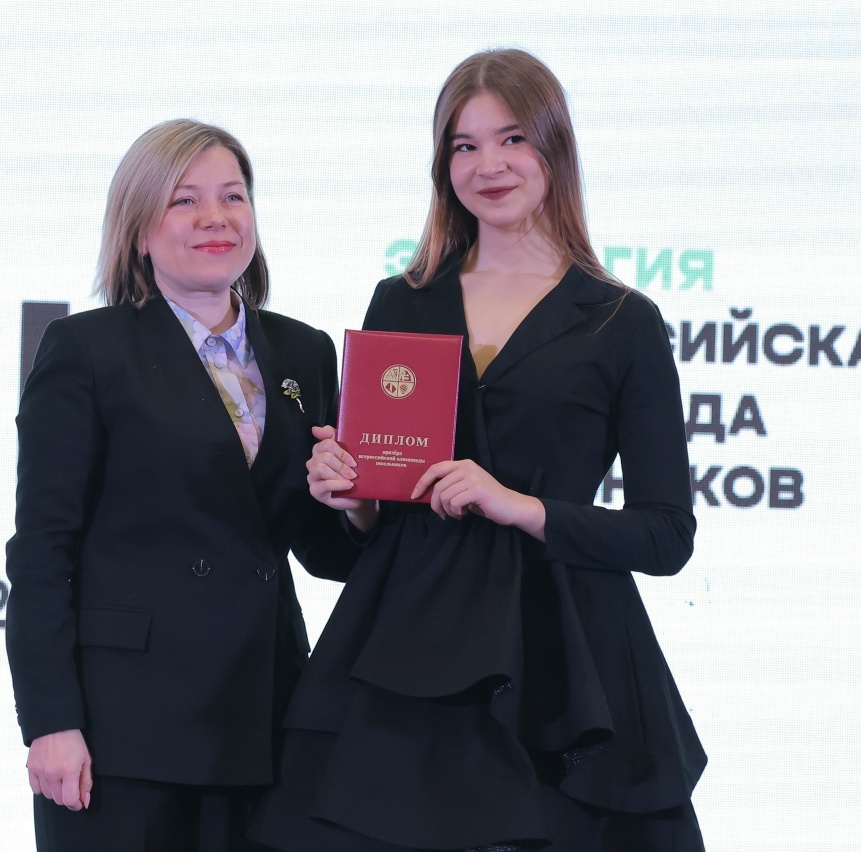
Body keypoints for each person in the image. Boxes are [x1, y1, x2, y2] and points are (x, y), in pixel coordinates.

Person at [251, 49, 706, 851]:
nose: (488, 165)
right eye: (464, 146)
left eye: (512, 139)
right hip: (406, 647)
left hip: (560, 653)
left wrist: (520, 507)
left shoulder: (620, 320)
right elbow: (370, 528)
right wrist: (352, 497)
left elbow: (666, 536)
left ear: (554, 149)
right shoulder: (403, 300)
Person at [5, 119, 363, 852]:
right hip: (122, 728)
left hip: (265, 714)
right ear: (139, 229)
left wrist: (356, 508)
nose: (215, 218)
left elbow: (324, 551)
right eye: (184, 200)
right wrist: (50, 721)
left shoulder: (305, 351)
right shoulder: (87, 350)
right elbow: (42, 549)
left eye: (233, 196)